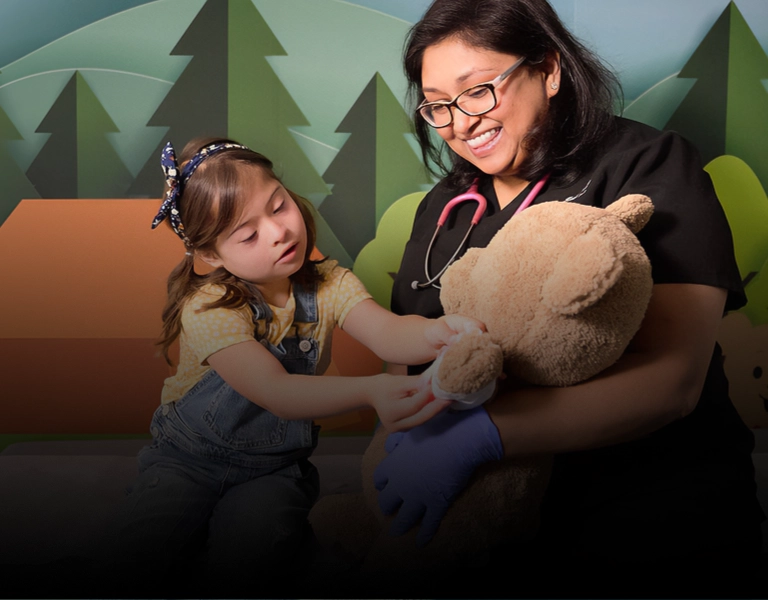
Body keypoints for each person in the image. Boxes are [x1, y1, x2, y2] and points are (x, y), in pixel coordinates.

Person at [373, 0, 766, 597]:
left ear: (549, 70)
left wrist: (483, 437)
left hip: (649, 525)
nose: (458, 121)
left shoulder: (650, 166)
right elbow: (405, 366)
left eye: (477, 90)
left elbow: (674, 381)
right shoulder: (443, 210)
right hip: (486, 542)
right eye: (437, 104)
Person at [106, 137, 483, 596]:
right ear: (211, 256)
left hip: (275, 468)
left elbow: (387, 332)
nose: (279, 232)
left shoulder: (331, 283)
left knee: (259, 554)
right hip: (187, 459)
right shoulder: (209, 307)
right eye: (247, 235)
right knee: (137, 554)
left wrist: (437, 333)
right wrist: (373, 390)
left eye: (278, 206)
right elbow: (276, 391)